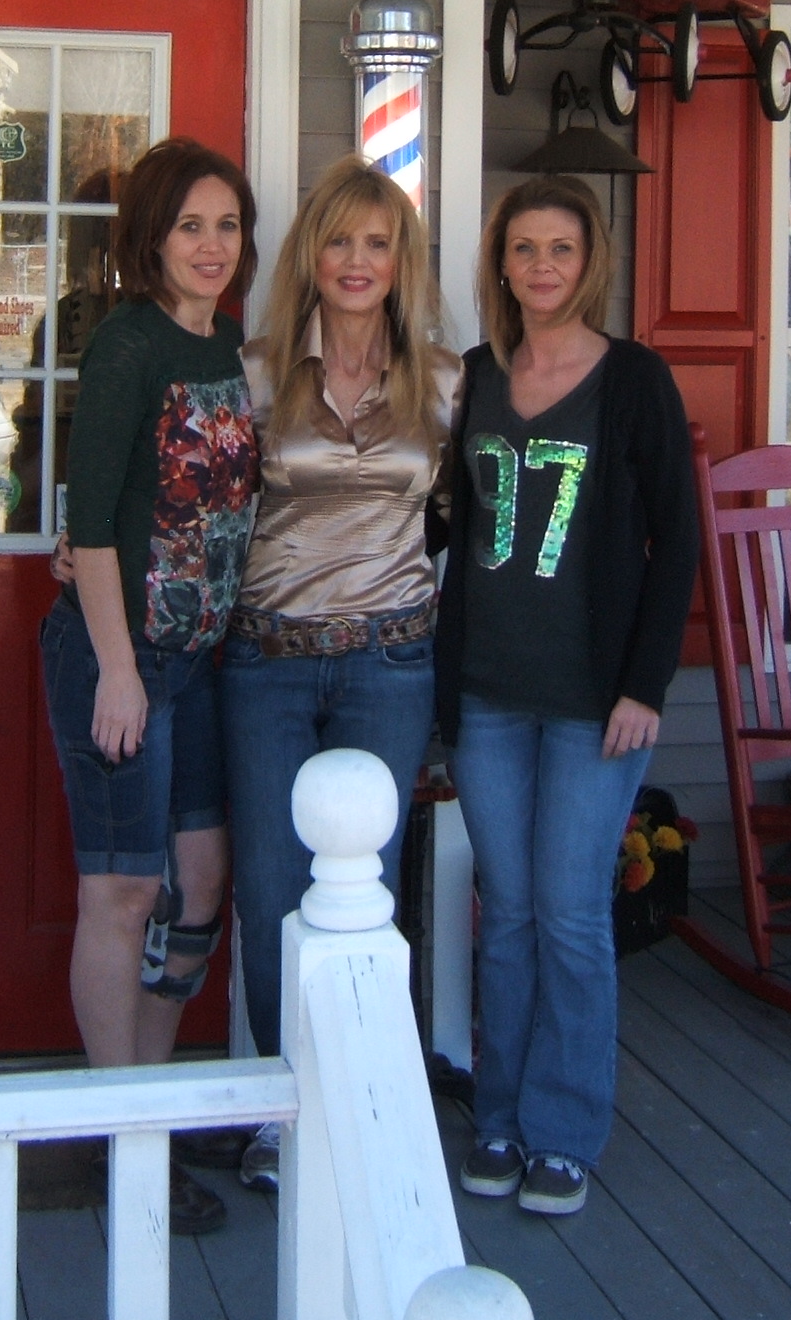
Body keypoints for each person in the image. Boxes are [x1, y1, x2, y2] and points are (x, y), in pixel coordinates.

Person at [437, 172, 699, 1218]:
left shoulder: (634, 380)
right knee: (505, 914)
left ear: (589, 264)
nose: (542, 266)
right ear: (500, 265)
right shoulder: (473, 378)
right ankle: (498, 1116)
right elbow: (434, 520)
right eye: (524, 248)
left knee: (573, 916)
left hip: (596, 702)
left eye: (562, 249)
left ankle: (563, 1130)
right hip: (489, 695)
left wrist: (646, 684)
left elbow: (678, 539)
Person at [220, 156, 461, 1191]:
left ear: (402, 260)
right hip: (267, 664)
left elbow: (466, 519)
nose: (357, 262)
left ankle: (361, 1104)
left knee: (370, 893)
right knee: (274, 889)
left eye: (378, 242)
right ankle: (288, 1114)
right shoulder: (257, 373)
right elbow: (198, 511)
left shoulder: (444, 381)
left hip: (390, 666)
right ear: (309, 256)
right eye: (338, 241)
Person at [38, 137, 259, 1234]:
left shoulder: (227, 345)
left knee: (202, 887)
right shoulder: (129, 345)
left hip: (200, 661)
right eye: (189, 227)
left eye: (227, 226)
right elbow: (88, 524)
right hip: (119, 661)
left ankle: (152, 1106)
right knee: (121, 896)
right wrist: (119, 672)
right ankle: (120, 1136)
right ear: (152, 240)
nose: (211, 246)